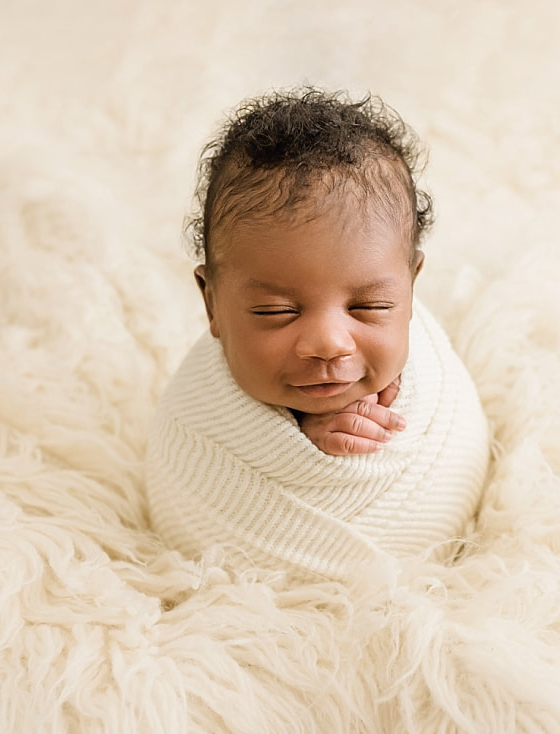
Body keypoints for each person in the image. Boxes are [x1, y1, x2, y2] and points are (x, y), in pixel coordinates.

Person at [145, 88, 490, 583]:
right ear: (211, 303)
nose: (329, 342)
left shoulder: (436, 390)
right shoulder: (192, 423)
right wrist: (297, 446)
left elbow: (460, 459)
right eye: (276, 311)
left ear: (411, 288)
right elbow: (185, 508)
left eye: (369, 306)